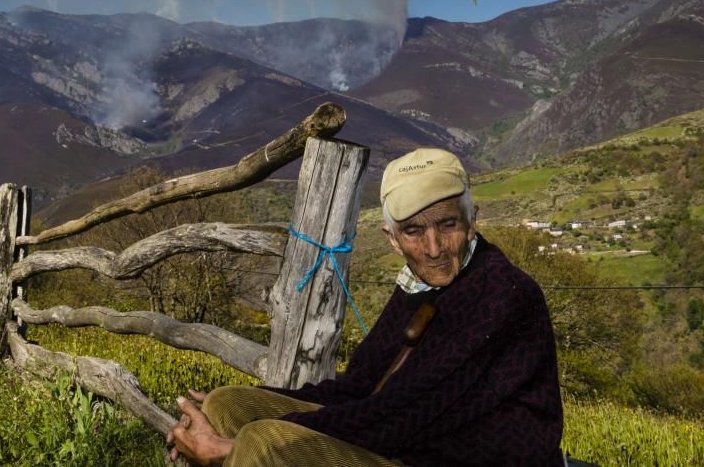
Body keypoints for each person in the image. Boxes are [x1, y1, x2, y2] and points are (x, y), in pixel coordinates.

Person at [167, 147, 564, 466]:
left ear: (472, 220)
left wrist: (231, 445)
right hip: (406, 440)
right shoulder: (419, 284)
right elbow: (361, 385)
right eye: (413, 230)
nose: (433, 247)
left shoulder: (501, 294)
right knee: (229, 403)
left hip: (443, 453)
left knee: (262, 441)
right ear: (391, 238)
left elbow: (403, 413)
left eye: (447, 225)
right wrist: (248, 418)